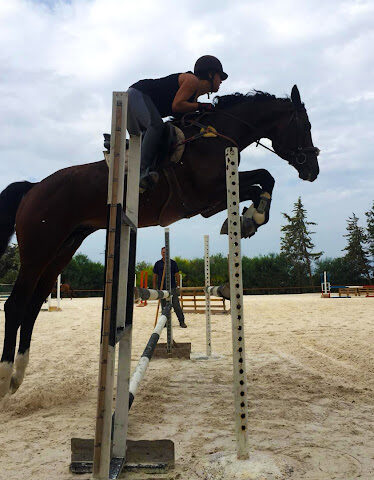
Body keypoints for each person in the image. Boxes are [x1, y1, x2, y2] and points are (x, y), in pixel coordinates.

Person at [126, 55, 228, 192]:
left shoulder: (194, 96)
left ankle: (129, 150)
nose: (221, 81)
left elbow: (182, 117)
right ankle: (141, 173)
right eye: (219, 76)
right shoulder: (192, 81)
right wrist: (200, 106)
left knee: (156, 136)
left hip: (137, 100)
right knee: (156, 126)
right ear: (210, 74)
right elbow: (177, 106)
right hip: (137, 94)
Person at [153, 247, 187, 328]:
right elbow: (155, 276)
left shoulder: (173, 263)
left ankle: (182, 322)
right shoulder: (158, 264)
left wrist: (178, 285)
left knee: (176, 305)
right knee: (164, 306)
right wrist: (155, 288)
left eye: (166, 252)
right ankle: (164, 323)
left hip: (172, 288)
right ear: (161, 253)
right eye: (163, 252)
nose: (165, 254)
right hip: (162, 288)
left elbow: (177, 275)